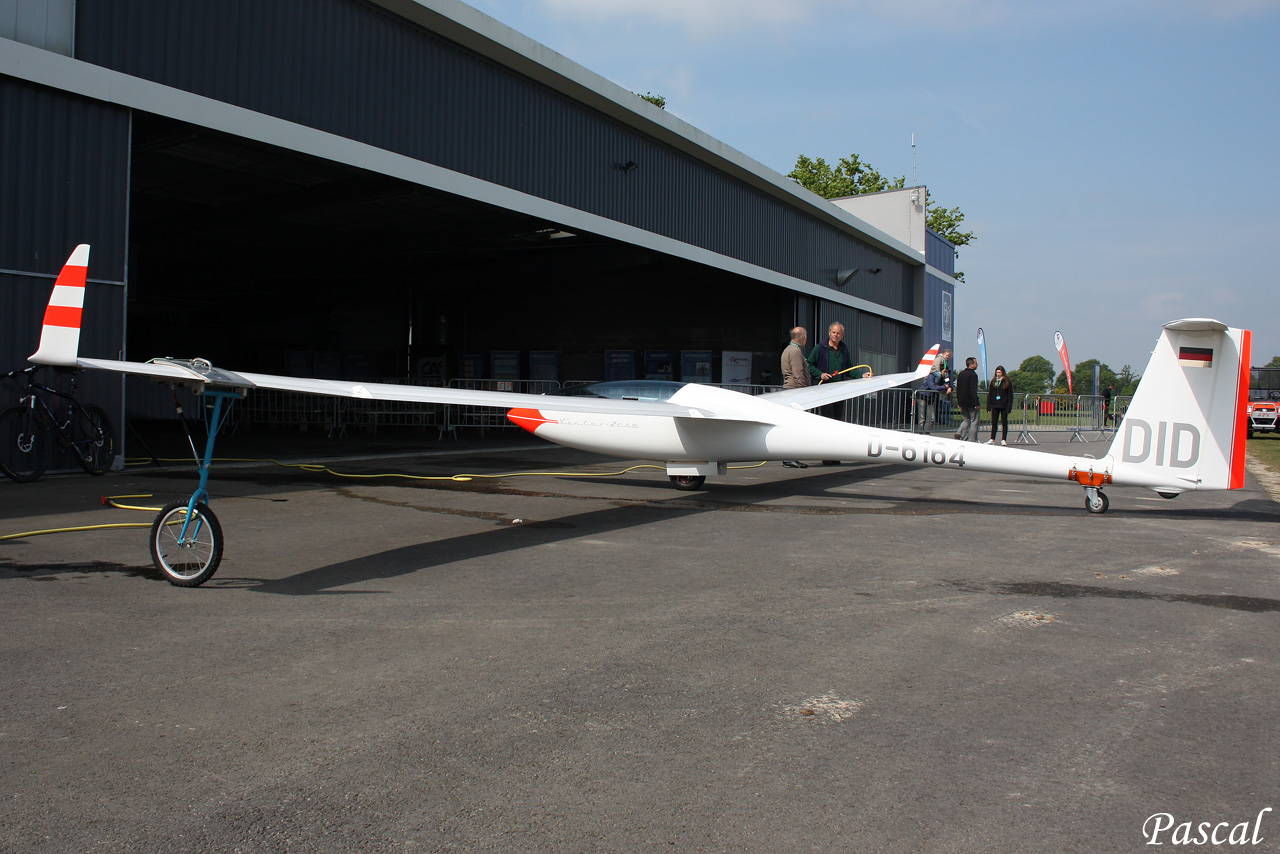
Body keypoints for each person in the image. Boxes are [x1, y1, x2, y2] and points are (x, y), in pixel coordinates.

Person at [807, 322, 853, 464]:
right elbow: (809, 364)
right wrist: (820, 374)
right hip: (824, 391)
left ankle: (834, 454)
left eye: (838, 333)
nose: (836, 335)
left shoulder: (844, 349)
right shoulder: (820, 348)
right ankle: (826, 456)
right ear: (829, 333)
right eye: (833, 332)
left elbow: (849, 368)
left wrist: (862, 375)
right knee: (827, 422)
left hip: (839, 391)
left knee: (837, 423)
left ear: (842, 335)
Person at [780, 327, 810, 468]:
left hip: (789, 390)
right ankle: (790, 458)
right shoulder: (796, 352)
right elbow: (798, 373)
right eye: (806, 336)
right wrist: (805, 393)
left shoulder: (787, 350)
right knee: (795, 426)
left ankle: (789, 457)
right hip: (795, 392)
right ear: (802, 337)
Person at [954, 356, 981, 442]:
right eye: (976, 363)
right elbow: (973, 390)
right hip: (971, 401)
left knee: (966, 419)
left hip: (962, 401)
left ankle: (959, 432)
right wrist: (976, 403)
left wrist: (959, 402)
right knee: (974, 421)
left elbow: (958, 388)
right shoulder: (973, 375)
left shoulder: (961, 374)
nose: (977, 365)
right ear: (971, 364)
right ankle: (972, 439)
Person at [984, 365, 1012, 445]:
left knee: (1004, 422)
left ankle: (1003, 439)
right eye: (997, 372)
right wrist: (988, 406)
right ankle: (992, 438)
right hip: (995, 405)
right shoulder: (993, 381)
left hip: (1004, 405)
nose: (998, 374)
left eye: (999, 372)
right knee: (994, 422)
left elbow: (1010, 395)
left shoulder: (1007, 382)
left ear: (1003, 372)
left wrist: (1009, 407)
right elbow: (990, 394)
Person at [916, 364, 948, 433]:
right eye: (945, 372)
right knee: (922, 417)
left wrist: (946, 385)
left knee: (932, 417)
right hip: (922, 396)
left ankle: (927, 432)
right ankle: (920, 432)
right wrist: (945, 387)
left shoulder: (941, 379)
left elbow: (942, 386)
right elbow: (933, 387)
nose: (945, 373)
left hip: (931, 397)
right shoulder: (931, 376)